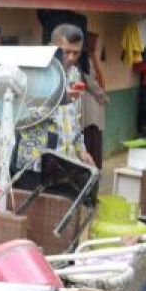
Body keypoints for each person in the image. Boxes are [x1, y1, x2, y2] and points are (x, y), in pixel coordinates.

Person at [15, 24, 97, 188]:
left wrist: (81, 150)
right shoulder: (34, 74)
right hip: (35, 163)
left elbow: (75, 119)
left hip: (65, 163)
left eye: (76, 53)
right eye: (66, 51)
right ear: (52, 48)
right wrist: (58, 99)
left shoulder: (74, 73)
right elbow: (22, 118)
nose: (72, 57)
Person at [81, 31, 109, 168]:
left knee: (95, 136)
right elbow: (89, 81)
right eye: (93, 42)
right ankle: (91, 167)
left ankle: (96, 166)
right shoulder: (84, 60)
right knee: (90, 135)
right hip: (89, 102)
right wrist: (102, 95)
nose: (95, 45)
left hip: (95, 103)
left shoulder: (92, 57)